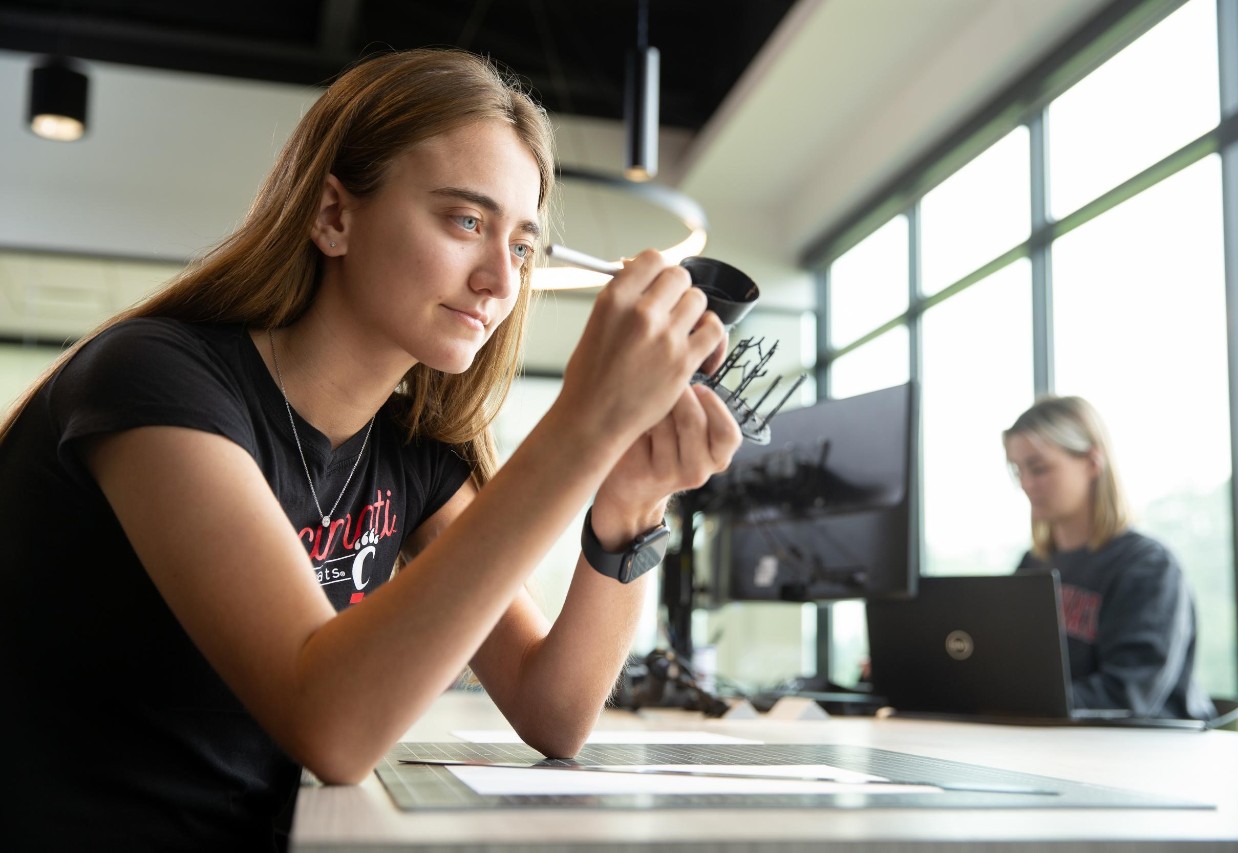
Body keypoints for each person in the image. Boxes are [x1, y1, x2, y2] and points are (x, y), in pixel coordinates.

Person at [0, 48, 743, 851]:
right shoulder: (153, 381)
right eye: (466, 221)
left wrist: (629, 506)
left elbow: (553, 710)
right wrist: (584, 426)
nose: (499, 277)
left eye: (523, 245)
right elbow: (331, 724)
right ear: (334, 216)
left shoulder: (410, 454)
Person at [1002, 395, 1215, 722]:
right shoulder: (1032, 565)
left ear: (1091, 462)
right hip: (1061, 745)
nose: (1026, 484)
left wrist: (1020, 703)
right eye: (1018, 471)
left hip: (1146, 755)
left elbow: (1128, 694)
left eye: (1039, 468)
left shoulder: (1148, 566)